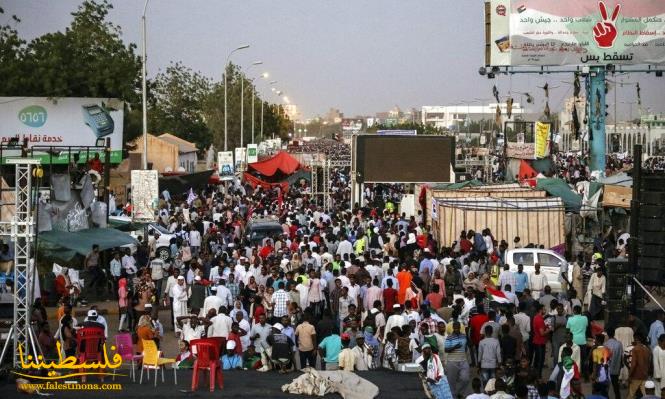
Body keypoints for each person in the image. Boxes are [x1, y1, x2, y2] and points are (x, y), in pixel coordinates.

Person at [628, 334, 650, 399]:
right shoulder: (647, 349)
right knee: (646, 395)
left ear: (636, 339)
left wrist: (630, 375)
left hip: (636, 376)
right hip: (645, 375)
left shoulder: (635, 349)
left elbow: (633, 364)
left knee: (631, 395)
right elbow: (649, 363)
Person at [605, 327, 624, 399]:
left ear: (607, 334)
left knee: (606, 387)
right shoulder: (619, 344)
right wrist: (621, 366)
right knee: (616, 387)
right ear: (614, 333)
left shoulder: (605, 344)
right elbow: (622, 357)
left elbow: (605, 359)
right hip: (616, 369)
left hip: (607, 369)